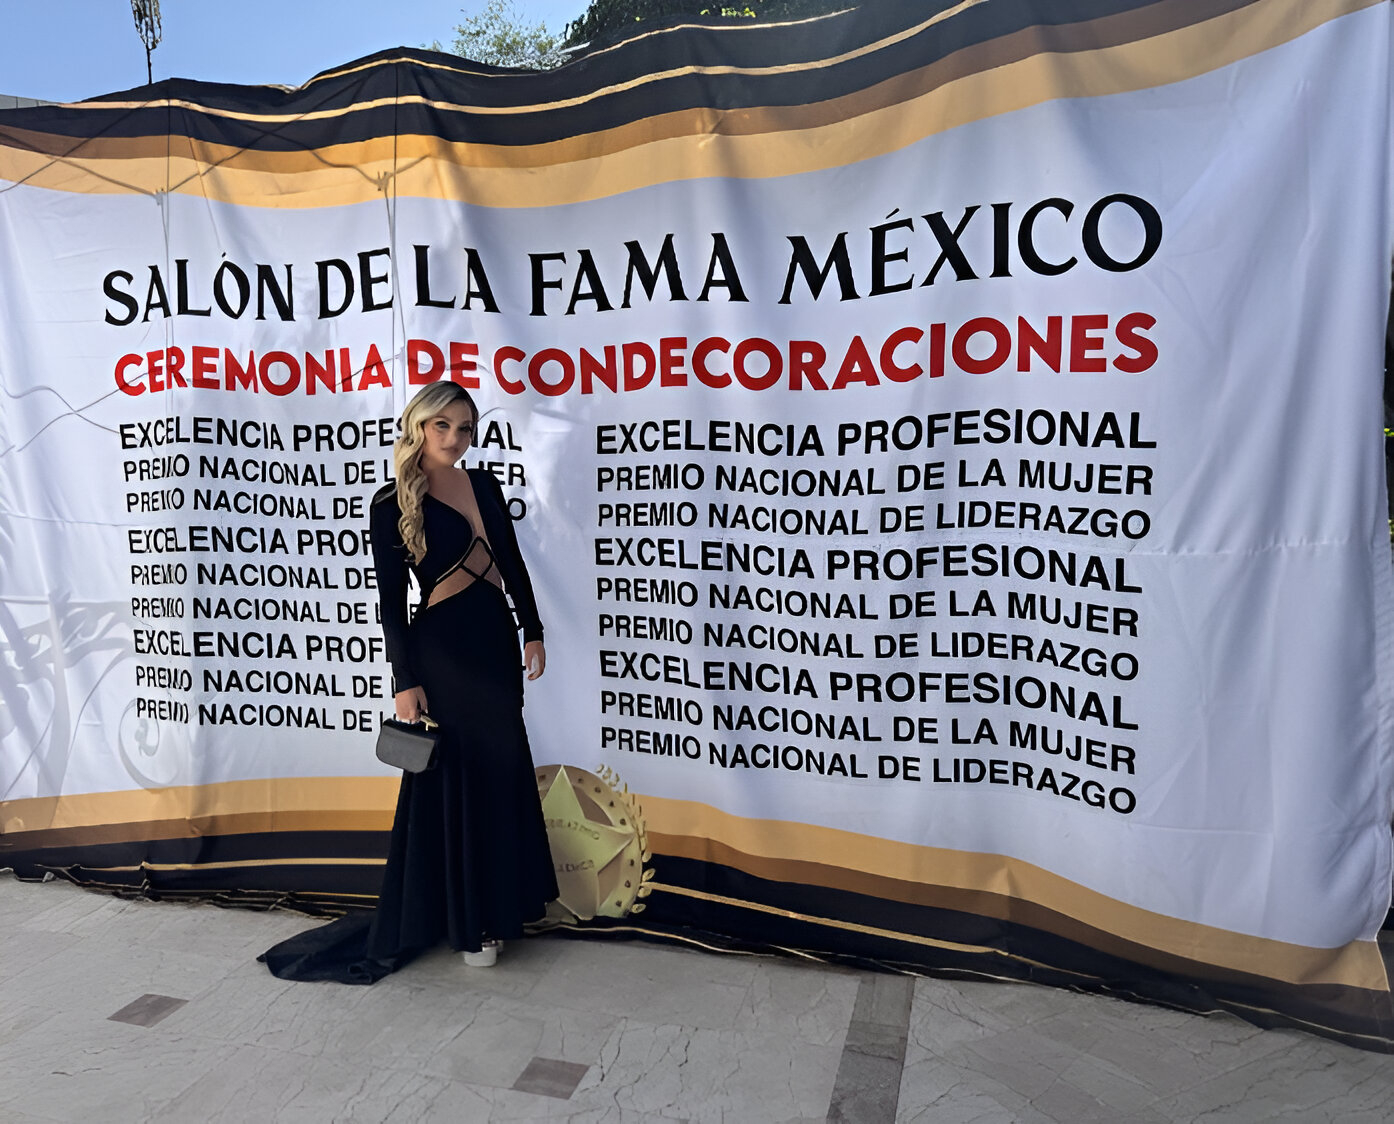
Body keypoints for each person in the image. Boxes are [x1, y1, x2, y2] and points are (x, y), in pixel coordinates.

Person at [260, 382, 558, 982]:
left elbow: (513, 561)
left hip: (495, 643)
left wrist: (532, 630)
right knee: (460, 775)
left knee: (501, 769)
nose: (454, 438)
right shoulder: (391, 501)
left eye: (465, 428)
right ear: (418, 426)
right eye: (442, 425)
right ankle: (471, 922)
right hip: (442, 651)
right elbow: (390, 603)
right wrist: (404, 679)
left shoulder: (486, 486)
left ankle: (499, 907)